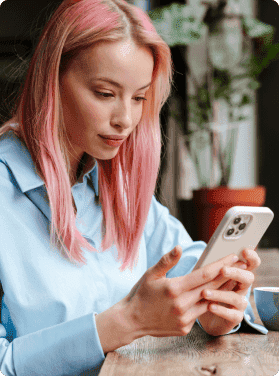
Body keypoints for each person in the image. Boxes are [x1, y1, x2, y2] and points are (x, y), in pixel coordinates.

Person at [0, 0, 265, 375]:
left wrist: (215, 309)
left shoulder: (115, 185)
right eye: (105, 94)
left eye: (139, 97)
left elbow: (186, 261)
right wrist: (127, 321)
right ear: (51, 82)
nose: (126, 119)